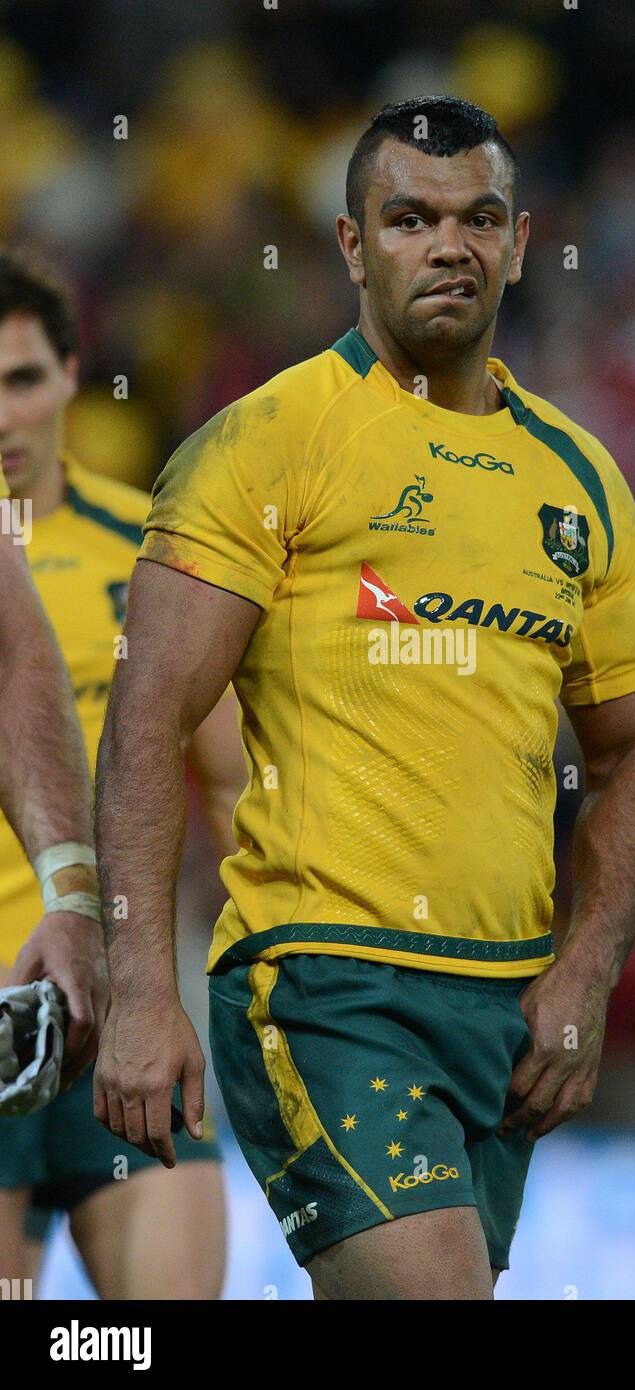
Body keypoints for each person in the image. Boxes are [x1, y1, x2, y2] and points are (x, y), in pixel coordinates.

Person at [94, 97, 635, 1301]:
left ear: (522, 244)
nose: (449, 245)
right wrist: (143, 989)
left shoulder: (577, 476)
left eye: (480, 219)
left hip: (507, 1004)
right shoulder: (265, 443)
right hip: (326, 981)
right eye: (410, 218)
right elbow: (145, 722)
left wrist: (583, 976)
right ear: (355, 246)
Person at [0, 251, 244, 1299]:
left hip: (125, 1013)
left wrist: (268, 976)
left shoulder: (152, 547)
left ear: (69, 375)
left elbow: (232, 781)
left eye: (20, 379)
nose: (1, 413)